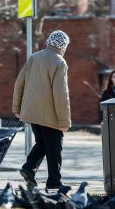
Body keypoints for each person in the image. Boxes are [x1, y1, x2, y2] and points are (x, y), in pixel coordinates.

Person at [12, 30, 71, 189]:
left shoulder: (33, 58)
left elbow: (19, 83)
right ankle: (54, 182)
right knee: (54, 147)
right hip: (50, 113)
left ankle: (29, 168)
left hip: (31, 112)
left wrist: (17, 108)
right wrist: (64, 121)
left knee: (43, 143)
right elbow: (61, 93)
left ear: (49, 41)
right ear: (63, 46)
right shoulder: (59, 62)